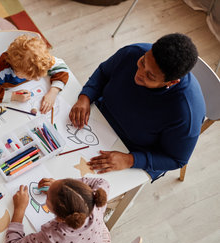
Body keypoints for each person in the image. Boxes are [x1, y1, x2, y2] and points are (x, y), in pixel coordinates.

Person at [69, 33, 206, 181]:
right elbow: (104, 72)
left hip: (131, 151)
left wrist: (130, 160)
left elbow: (176, 159)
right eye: (142, 62)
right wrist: (85, 97)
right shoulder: (134, 52)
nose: (139, 73)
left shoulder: (186, 113)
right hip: (99, 117)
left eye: (150, 76)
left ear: (171, 83)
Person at [5, 177, 111, 243]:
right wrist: (65, 189)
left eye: (48, 198)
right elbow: (103, 181)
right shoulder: (97, 202)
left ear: (59, 218)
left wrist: (19, 209)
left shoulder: (53, 235)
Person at [0, 35, 70, 114]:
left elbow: (62, 68)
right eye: (29, 76)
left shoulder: (40, 59)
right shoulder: (0, 68)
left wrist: (53, 92)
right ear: (15, 68)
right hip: (2, 90)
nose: (35, 79)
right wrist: (13, 96)